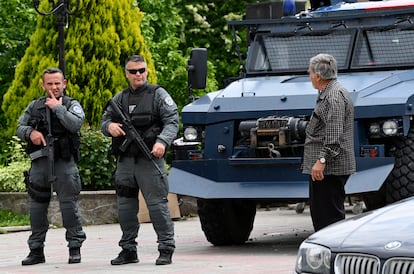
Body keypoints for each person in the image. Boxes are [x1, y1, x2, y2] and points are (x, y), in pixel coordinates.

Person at [101, 55, 179, 266]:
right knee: (125, 208)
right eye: (134, 71)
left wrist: (162, 142)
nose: (138, 74)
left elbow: (172, 121)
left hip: (149, 160)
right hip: (126, 162)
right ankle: (128, 249)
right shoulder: (120, 98)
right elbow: (105, 120)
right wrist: (109, 127)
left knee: (157, 206)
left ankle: (165, 248)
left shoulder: (157, 94)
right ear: (127, 73)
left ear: (147, 71)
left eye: (142, 70)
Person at [17, 67, 86, 265]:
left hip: (64, 163)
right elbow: (20, 126)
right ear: (42, 84)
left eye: (57, 83)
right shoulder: (34, 106)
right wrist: (30, 133)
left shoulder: (71, 104)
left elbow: (75, 124)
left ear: (64, 84)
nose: (54, 87)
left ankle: (74, 247)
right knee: (36, 208)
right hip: (40, 163)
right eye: (50, 83)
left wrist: (57, 108)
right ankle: (36, 250)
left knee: (68, 206)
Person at [302, 53, 356, 232]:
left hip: (330, 168)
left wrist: (321, 161)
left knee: (328, 218)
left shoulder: (333, 97)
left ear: (318, 76)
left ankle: (332, 255)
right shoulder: (328, 93)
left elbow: (334, 135)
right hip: (326, 168)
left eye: (310, 72)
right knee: (321, 213)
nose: (309, 76)